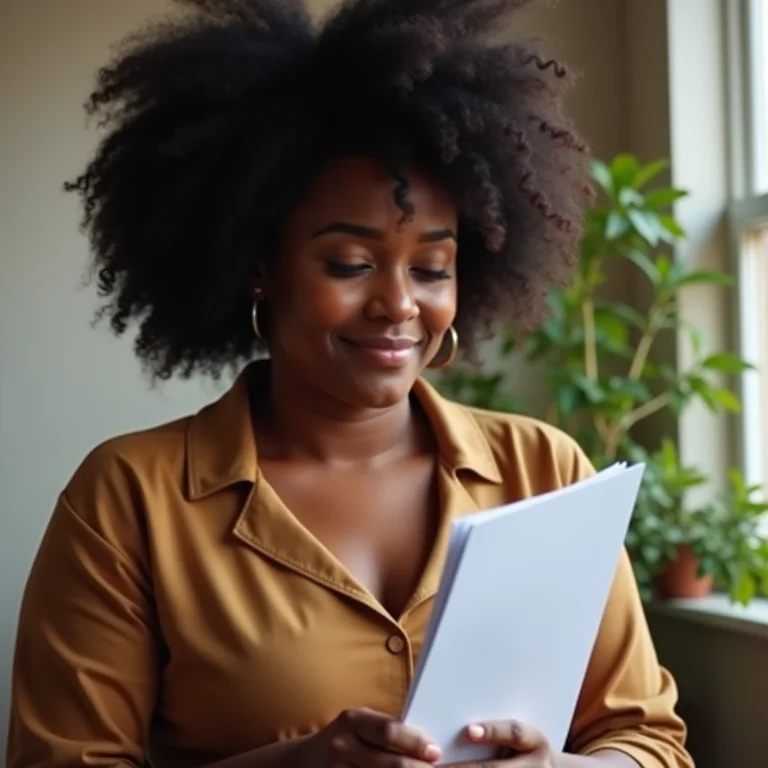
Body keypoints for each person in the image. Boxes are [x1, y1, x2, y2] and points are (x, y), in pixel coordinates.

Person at [6, 0, 694, 766]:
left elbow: (648, 741)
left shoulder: (544, 473)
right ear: (260, 267)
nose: (400, 305)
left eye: (433, 268)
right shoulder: (130, 498)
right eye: (350, 263)